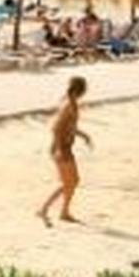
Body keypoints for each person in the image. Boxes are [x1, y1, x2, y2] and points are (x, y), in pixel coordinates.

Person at [37, 76, 93, 226]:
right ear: (80, 91)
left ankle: (64, 212)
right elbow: (56, 127)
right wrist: (58, 147)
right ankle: (44, 209)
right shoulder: (69, 106)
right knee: (69, 182)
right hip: (62, 148)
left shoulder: (71, 104)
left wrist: (84, 136)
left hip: (65, 147)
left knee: (73, 181)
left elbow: (71, 127)